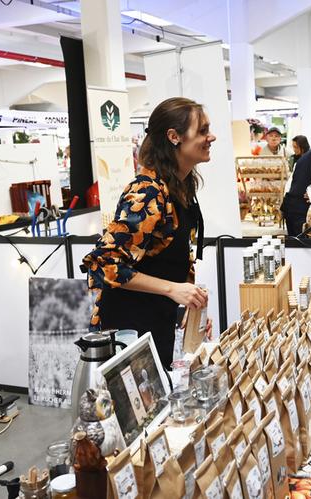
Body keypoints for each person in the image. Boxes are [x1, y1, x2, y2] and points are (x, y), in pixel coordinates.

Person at [82, 97, 214, 369]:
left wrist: (189, 303)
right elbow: (104, 264)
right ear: (174, 137)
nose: (211, 137)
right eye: (202, 131)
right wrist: (173, 290)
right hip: (129, 329)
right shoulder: (147, 193)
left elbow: (169, 257)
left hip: (156, 321)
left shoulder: (178, 188)